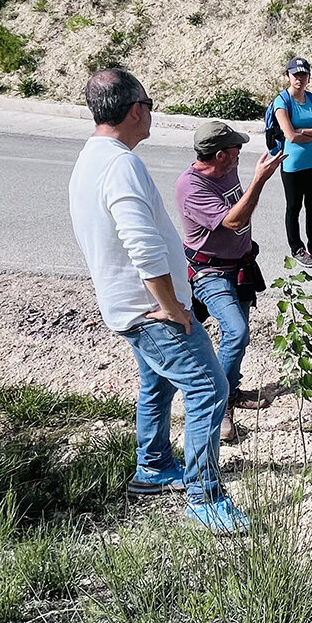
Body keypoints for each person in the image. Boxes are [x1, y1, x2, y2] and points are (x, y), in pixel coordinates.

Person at [68, 69, 247, 534]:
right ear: (135, 110)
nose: (151, 111)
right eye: (148, 102)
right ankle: (204, 496)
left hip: (127, 306)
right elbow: (142, 243)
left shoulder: (91, 158)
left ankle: (152, 469)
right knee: (209, 388)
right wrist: (171, 306)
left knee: (157, 385)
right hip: (151, 312)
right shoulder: (121, 165)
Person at [175, 120, 281, 442]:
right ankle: (218, 407)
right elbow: (234, 220)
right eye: (235, 148)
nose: (240, 151)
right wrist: (259, 181)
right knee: (236, 331)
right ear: (220, 155)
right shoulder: (191, 188)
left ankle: (231, 391)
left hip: (241, 266)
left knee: (240, 336)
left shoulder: (227, 168)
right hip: (210, 271)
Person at [265, 56, 312, 268]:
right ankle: (297, 248)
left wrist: (302, 131)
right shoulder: (282, 101)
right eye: (295, 75)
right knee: (294, 207)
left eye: (303, 74)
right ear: (288, 76)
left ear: (309, 77)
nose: (299, 79)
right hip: (291, 163)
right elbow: (291, 137)